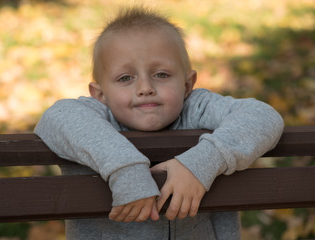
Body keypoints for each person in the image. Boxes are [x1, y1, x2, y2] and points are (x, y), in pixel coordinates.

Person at [35, 6, 284, 240]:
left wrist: (199, 165)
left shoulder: (194, 108)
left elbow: (263, 116)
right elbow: (56, 116)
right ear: (100, 94)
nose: (145, 88)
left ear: (187, 85)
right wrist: (125, 169)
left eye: (161, 75)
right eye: (125, 78)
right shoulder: (95, 115)